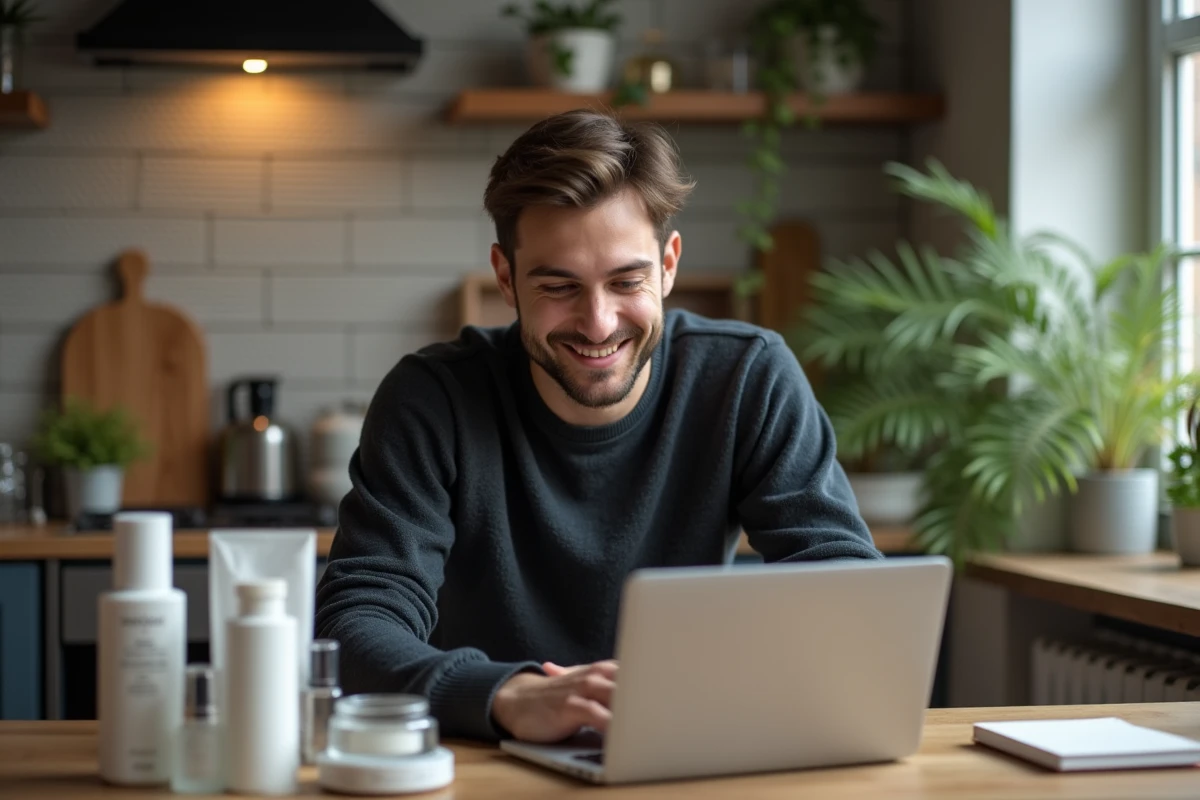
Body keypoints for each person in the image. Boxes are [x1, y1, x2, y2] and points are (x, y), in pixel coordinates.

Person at [314, 109, 882, 746]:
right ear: (505, 277)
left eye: (626, 281)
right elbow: (355, 627)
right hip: (486, 758)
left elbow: (849, 594)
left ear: (668, 265)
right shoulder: (432, 399)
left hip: (682, 750)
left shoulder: (747, 378)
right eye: (559, 287)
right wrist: (507, 695)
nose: (598, 323)